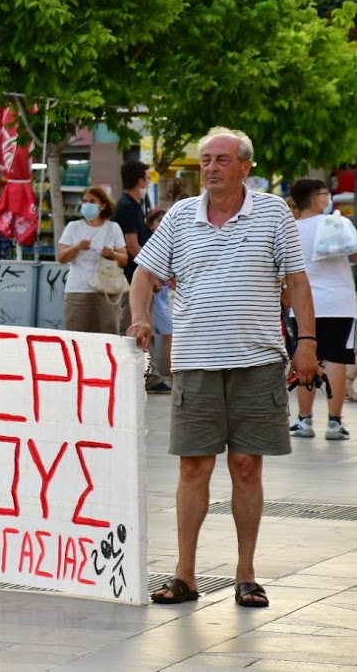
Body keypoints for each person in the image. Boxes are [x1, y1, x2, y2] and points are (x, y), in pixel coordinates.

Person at [129, 127, 319, 609]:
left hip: (257, 362)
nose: (211, 168)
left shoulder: (273, 212)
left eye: (221, 160)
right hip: (195, 363)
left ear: (245, 166)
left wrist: (307, 345)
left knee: (246, 467)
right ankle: (185, 574)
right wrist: (139, 318)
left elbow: (296, 282)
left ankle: (246, 575)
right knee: (193, 467)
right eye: (206, 160)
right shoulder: (179, 216)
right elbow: (145, 274)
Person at [287, 179, 353, 441]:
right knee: (336, 359)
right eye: (326, 195)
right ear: (317, 199)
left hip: (302, 304)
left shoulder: (289, 229)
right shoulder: (337, 223)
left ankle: (304, 420)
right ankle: (334, 423)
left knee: (306, 360)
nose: (328, 199)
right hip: (339, 302)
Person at [115, 160, 169, 393]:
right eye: (147, 178)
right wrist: (152, 276)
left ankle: (149, 375)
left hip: (137, 278)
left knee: (144, 327)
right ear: (140, 181)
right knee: (135, 326)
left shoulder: (135, 205)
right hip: (132, 280)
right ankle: (144, 376)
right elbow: (133, 246)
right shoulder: (127, 206)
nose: (148, 182)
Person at [57, 186, 128, 334]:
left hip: (107, 290)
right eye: (84, 201)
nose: (87, 204)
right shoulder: (73, 227)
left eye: (92, 201)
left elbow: (124, 259)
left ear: (102, 205)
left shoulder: (113, 228)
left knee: (108, 333)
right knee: (75, 334)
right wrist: (76, 247)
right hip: (78, 289)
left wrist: (113, 254)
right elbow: (62, 257)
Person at [145, 208, 173, 378]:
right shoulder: (151, 244)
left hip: (163, 296)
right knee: (169, 335)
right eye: (158, 220)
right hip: (155, 296)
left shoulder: (168, 243)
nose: (162, 223)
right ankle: (170, 376)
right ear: (150, 224)